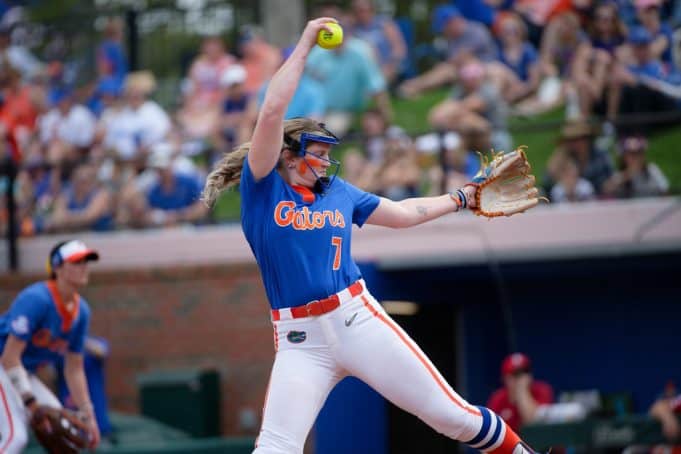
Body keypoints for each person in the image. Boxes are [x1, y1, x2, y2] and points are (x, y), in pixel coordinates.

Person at [201, 17, 545, 454]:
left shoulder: (338, 192)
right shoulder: (263, 187)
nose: (326, 163)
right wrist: (305, 43)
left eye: (329, 154)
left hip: (356, 318)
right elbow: (271, 111)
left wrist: (461, 197)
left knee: (450, 416)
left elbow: (402, 213)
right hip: (298, 339)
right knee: (275, 447)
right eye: (318, 154)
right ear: (289, 156)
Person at [0, 239, 101, 452]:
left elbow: (74, 368)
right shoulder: (36, 299)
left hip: (21, 371)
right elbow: (10, 356)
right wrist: (30, 401)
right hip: (3, 363)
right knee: (15, 436)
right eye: (76, 262)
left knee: (65, 430)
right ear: (58, 268)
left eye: (86, 262)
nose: (84, 267)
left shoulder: (81, 312)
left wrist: (88, 414)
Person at [487, 353, 555, 432]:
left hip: (538, 442)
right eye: (515, 374)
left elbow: (532, 421)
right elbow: (491, 431)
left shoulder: (542, 390)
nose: (521, 378)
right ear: (505, 378)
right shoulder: (498, 398)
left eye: (525, 372)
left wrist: (522, 391)